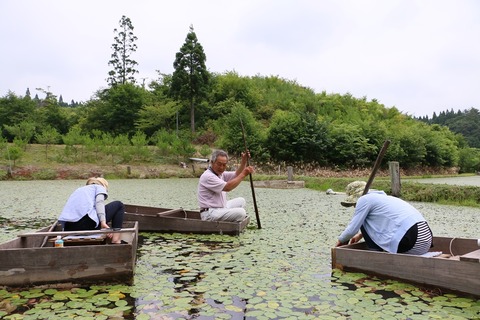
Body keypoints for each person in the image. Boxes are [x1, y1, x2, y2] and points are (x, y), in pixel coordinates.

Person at [335, 181, 433, 255]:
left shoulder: (364, 199)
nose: (354, 206)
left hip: (411, 242)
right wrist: (361, 235)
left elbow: (352, 230)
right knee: (365, 219)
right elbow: (384, 223)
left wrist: (341, 241)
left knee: (363, 220)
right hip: (425, 241)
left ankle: (375, 253)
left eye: (353, 204)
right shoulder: (387, 198)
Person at [58, 177, 126, 244]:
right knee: (119, 205)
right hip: (85, 227)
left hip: (69, 229)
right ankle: (116, 240)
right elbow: (99, 202)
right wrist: (103, 223)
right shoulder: (99, 187)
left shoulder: (79, 190)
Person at [197, 149, 254, 222]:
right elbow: (228, 187)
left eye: (224, 165)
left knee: (241, 201)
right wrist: (244, 174)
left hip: (220, 208)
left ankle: (228, 216)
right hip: (210, 213)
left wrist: (244, 162)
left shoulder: (220, 174)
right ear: (212, 163)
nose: (221, 167)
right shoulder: (208, 176)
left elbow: (236, 174)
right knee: (241, 212)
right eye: (219, 164)